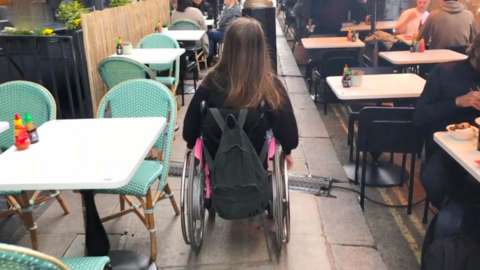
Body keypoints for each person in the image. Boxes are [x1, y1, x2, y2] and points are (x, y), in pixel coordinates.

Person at [183, 17, 299, 169]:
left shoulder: (210, 82)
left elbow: (190, 129)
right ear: (261, 48)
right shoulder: (270, 85)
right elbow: (288, 132)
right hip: (256, 168)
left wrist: (191, 144)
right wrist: (287, 150)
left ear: (228, 47)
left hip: (217, 167)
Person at [414, 34, 480, 209]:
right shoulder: (444, 73)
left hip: (476, 151)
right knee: (437, 182)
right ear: (475, 51)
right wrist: (457, 102)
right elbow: (420, 115)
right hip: (444, 151)